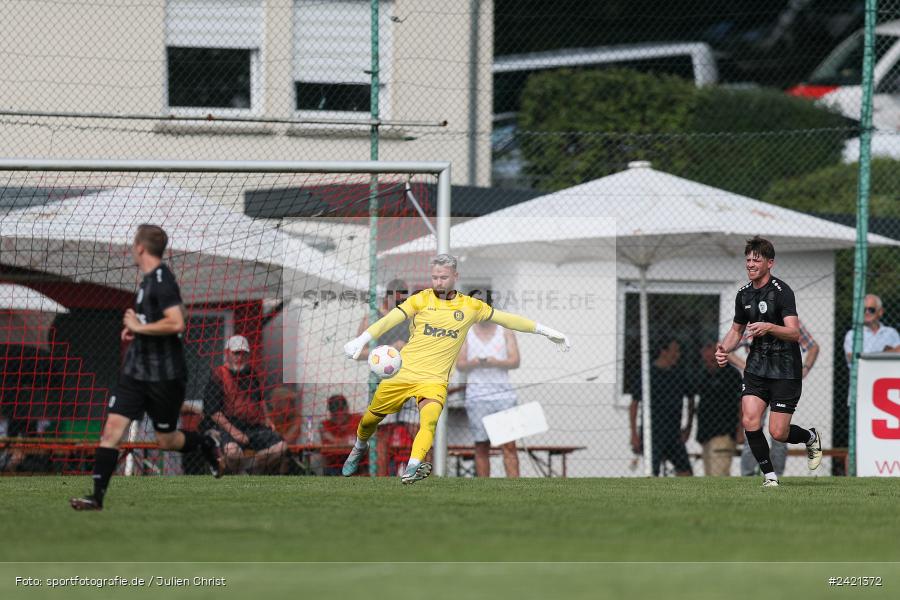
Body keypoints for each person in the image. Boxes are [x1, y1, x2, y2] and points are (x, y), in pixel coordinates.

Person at [342, 253, 571, 485]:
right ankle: (360, 445)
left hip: (434, 380)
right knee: (370, 420)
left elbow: (508, 319)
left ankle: (412, 467)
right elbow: (389, 320)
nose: (438, 282)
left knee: (429, 420)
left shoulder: (470, 306)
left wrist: (546, 331)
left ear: (455, 276)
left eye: (443, 277)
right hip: (403, 374)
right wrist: (361, 340)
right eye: (434, 277)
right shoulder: (420, 299)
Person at [70, 224, 223, 511]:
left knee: (166, 440)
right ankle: (96, 498)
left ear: (140, 247)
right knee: (111, 432)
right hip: (135, 372)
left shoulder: (163, 279)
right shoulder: (146, 282)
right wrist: (136, 331)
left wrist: (140, 326)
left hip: (164, 375)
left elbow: (177, 321)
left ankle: (204, 443)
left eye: (132, 244)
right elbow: (153, 322)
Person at [715, 236, 822, 488]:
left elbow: (794, 333)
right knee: (749, 420)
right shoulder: (743, 295)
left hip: (785, 369)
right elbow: (736, 331)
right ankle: (770, 477)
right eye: (748, 260)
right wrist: (723, 348)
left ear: (770, 263)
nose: (751, 264)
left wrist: (769, 327)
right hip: (756, 368)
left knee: (778, 432)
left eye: (757, 259)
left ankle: (809, 436)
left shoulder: (782, 292)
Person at [730, 322, 819, 477]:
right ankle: (748, 475)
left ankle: (776, 474)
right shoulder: (751, 321)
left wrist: (805, 368)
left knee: (778, 433)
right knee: (752, 426)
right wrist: (747, 366)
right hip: (758, 383)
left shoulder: (789, 322)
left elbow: (812, 346)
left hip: (782, 381)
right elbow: (727, 348)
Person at [356, 278, 417, 476]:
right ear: (387, 297)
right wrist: (388, 352)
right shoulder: (372, 318)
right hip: (382, 384)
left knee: (420, 431)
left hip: (408, 384)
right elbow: (359, 352)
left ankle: (422, 478)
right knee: (382, 436)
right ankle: (381, 481)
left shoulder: (410, 318)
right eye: (398, 301)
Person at [204, 335, 287, 474]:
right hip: (230, 427)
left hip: (254, 427)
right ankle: (247, 471)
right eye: (236, 353)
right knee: (232, 453)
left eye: (244, 353)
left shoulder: (251, 374)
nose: (240, 357)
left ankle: (248, 468)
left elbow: (260, 400)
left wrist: (267, 418)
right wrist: (235, 432)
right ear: (227, 353)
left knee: (282, 447)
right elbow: (213, 411)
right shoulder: (218, 375)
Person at [456, 319, 521, 478]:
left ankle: (516, 487)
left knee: (509, 445)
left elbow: (515, 361)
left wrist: (496, 362)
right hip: (477, 396)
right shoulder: (466, 333)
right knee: (481, 445)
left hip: (503, 395)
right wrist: (475, 363)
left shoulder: (506, 331)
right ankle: (484, 487)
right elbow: (460, 364)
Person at [628, 336, 694, 477]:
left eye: (679, 351)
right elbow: (634, 404)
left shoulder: (679, 374)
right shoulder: (647, 374)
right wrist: (634, 434)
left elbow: (691, 398)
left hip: (674, 433)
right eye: (674, 351)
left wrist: (688, 426)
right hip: (653, 432)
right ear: (663, 352)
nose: (678, 355)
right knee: (652, 472)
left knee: (686, 472)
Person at [695, 342, 743, 476]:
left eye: (711, 360)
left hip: (724, 431)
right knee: (709, 474)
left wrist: (740, 430)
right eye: (706, 361)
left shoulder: (731, 374)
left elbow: (741, 403)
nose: (708, 363)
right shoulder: (704, 375)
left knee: (719, 474)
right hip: (706, 433)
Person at [843, 294, 900, 365]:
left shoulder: (891, 332)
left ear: (880, 312)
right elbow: (853, 359)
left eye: (871, 310)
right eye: (863, 310)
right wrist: (887, 353)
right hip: (863, 375)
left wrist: (867, 356)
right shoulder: (852, 334)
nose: (867, 312)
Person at [319, 394, 363, 476]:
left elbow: (358, 443)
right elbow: (326, 449)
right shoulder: (325, 424)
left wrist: (334, 439)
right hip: (334, 465)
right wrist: (345, 441)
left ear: (347, 408)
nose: (337, 414)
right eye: (333, 410)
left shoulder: (357, 419)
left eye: (340, 409)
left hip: (358, 464)